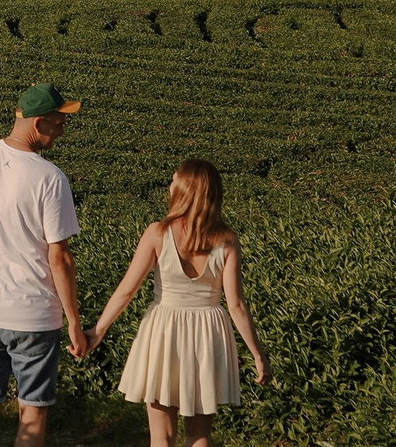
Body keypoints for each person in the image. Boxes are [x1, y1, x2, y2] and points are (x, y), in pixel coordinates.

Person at [86, 159, 273, 447]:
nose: (169, 185)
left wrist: (98, 331)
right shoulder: (227, 240)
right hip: (208, 332)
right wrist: (257, 354)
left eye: (174, 180)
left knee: (162, 436)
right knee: (200, 435)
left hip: (164, 330)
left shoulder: (157, 233)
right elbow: (236, 305)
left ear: (183, 189)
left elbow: (126, 290)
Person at [0, 83, 87, 447]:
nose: (62, 130)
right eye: (59, 122)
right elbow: (60, 258)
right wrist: (74, 321)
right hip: (33, 317)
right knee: (32, 411)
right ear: (39, 123)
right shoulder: (50, 178)